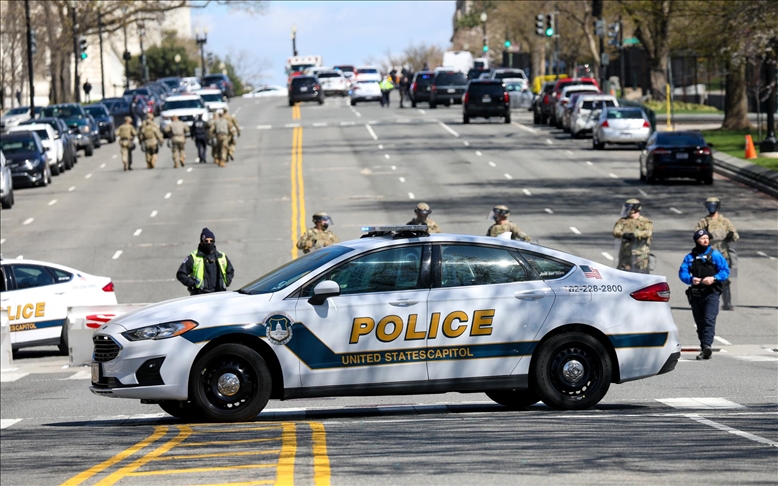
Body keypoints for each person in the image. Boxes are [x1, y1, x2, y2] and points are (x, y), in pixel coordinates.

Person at [679, 229, 730, 360]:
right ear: (697, 241)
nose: (705, 240)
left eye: (707, 238)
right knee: (700, 322)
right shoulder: (690, 257)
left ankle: (707, 345)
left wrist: (714, 278)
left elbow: (725, 271)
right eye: (702, 239)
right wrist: (691, 279)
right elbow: (683, 273)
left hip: (711, 293)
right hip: (696, 295)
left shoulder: (716, 255)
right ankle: (704, 348)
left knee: (709, 320)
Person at [696, 197, 739, 310]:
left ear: (718, 206)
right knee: (706, 279)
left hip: (723, 255)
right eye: (709, 206)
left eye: (713, 205)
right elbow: (697, 236)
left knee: (724, 279)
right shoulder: (704, 222)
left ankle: (727, 303)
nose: (711, 208)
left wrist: (731, 235)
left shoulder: (725, 221)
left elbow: (735, 235)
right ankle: (705, 303)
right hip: (708, 255)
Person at [176, 228, 235, 295]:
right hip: (201, 295)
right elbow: (181, 274)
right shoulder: (194, 257)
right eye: (206, 241)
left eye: (211, 241)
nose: (209, 243)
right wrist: (193, 283)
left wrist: (227, 281)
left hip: (219, 294)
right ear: (201, 242)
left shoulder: (221, 256)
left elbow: (230, 270)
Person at [612, 198, 653, 273]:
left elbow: (648, 232)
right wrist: (624, 235)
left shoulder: (645, 222)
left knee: (641, 274)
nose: (627, 210)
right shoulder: (623, 221)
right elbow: (616, 231)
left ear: (635, 209)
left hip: (640, 254)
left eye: (629, 207)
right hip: (625, 254)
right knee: (622, 274)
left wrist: (635, 235)